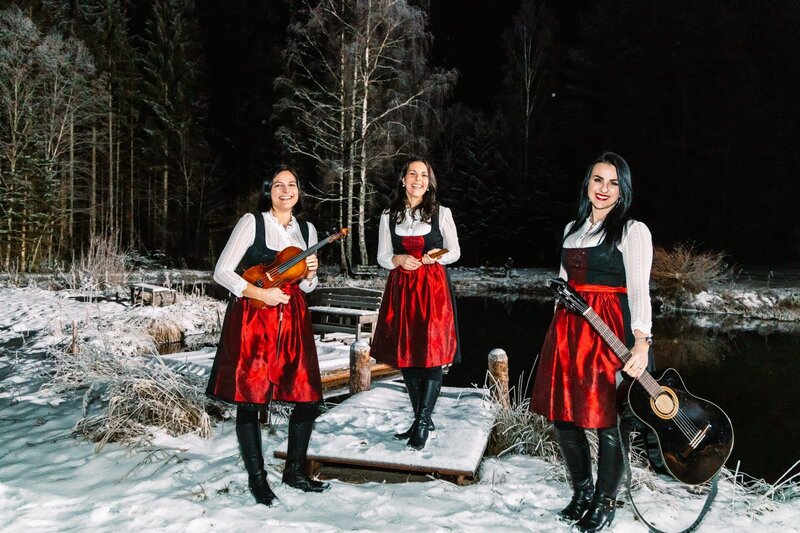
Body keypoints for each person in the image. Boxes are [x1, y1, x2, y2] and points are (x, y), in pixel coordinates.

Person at [530, 152, 653, 532]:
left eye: (614, 182)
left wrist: (641, 342)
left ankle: (604, 503)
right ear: (588, 183)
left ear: (624, 189)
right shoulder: (572, 228)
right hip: (567, 332)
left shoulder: (632, 231)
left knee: (607, 422)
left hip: (608, 330)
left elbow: (639, 290)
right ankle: (582, 492)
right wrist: (555, 332)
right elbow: (563, 286)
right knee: (563, 417)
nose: (604, 189)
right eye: (598, 180)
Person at [206, 165, 329, 507]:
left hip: (293, 320)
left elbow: (308, 285)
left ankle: (295, 472)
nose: (285, 190)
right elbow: (222, 271)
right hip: (255, 320)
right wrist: (260, 295)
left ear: (299, 192)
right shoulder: (252, 222)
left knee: (306, 398)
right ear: (268, 191)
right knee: (251, 400)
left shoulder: (307, 229)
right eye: (278, 185)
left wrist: (312, 274)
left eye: (292, 184)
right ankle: (258, 481)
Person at [370, 157, 461, 451]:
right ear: (403, 180)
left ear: (429, 182)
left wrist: (431, 257)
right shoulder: (389, 215)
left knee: (432, 353)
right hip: (403, 289)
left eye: (424, 175)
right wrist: (397, 259)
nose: (418, 179)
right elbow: (383, 257)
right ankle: (421, 417)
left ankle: (423, 422)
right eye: (413, 174)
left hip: (433, 289)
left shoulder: (441, 213)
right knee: (408, 352)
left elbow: (455, 251)